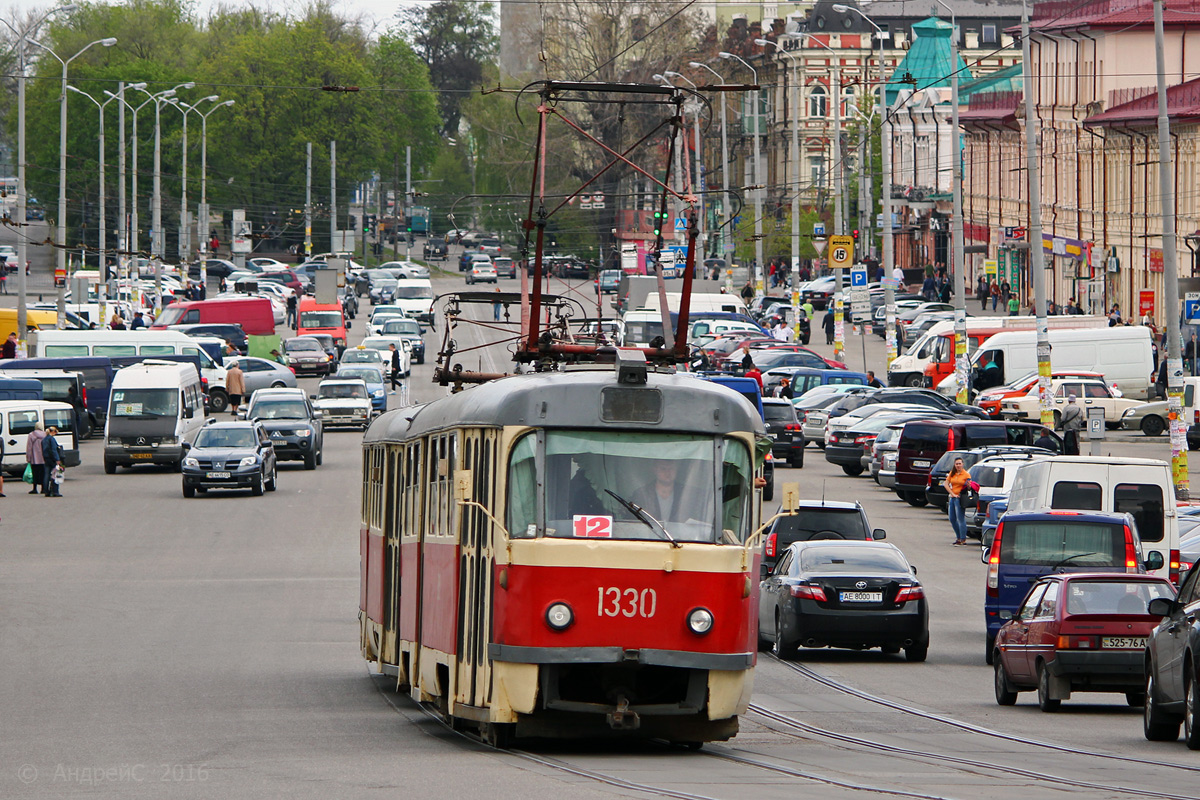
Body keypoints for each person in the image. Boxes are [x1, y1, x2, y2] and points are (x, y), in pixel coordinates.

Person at [943, 457, 970, 545]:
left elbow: (969, 487)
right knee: (952, 518)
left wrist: (968, 486)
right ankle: (958, 537)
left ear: (963, 464)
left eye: (959, 463)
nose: (958, 465)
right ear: (954, 465)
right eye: (956, 464)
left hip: (960, 498)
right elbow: (945, 484)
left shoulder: (966, 475)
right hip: (953, 498)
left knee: (960, 518)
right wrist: (952, 493)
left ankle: (963, 539)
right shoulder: (952, 473)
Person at [41, 425, 63, 497]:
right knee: (55, 474)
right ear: (52, 432)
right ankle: (55, 491)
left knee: (46, 475)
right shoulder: (52, 439)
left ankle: (46, 490)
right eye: (55, 432)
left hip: (46, 458)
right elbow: (54, 450)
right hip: (52, 459)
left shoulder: (44, 440)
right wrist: (57, 459)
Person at [26, 421, 46, 495]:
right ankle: (43, 488)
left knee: (35, 473)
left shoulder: (31, 435)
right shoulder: (45, 435)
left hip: (34, 458)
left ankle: (34, 488)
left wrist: (28, 458)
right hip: (43, 458)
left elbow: (29, 447)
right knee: (43, 473)